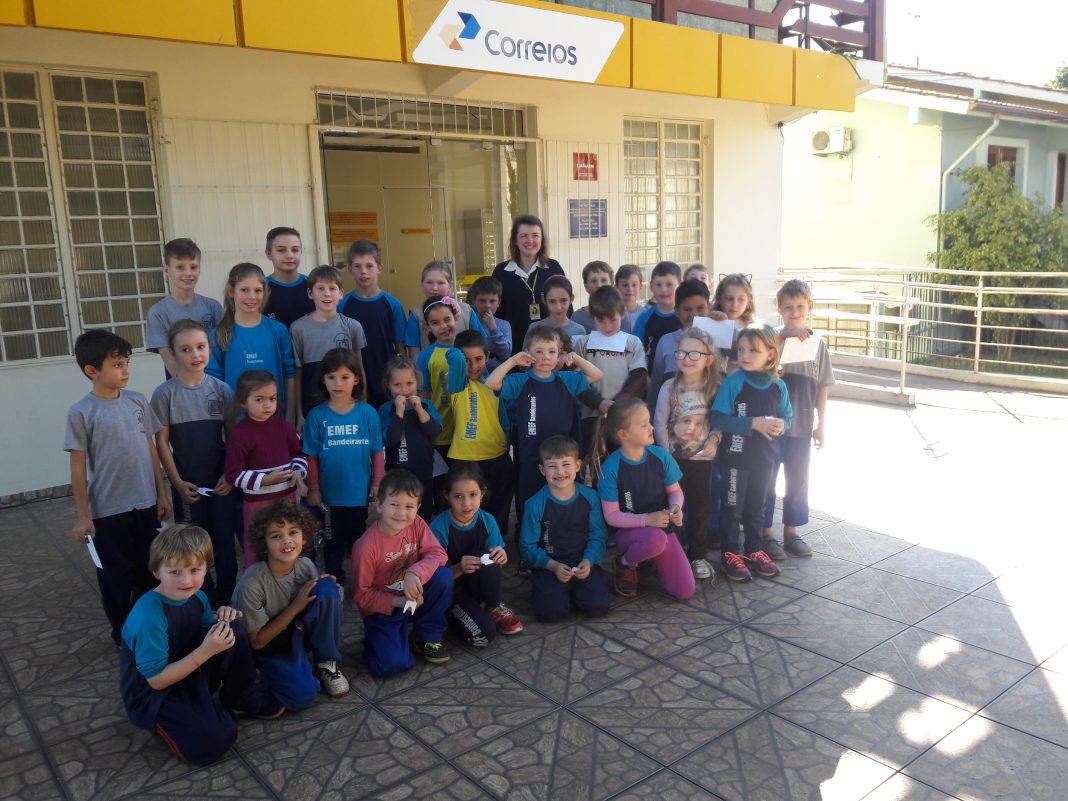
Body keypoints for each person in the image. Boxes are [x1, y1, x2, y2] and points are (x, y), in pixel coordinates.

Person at [120, 525, 282, 766]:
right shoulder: (149, 616)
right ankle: (199, 714)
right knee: (211, 743)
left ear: (207, 567)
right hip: (155, 695)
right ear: (156, 572)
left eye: (194, 569)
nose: (186, 580)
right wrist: (205, 652)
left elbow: (202, 632)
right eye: (174, 572)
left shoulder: (198, 596)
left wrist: (221, 617)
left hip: (188, 670)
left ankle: (241, 696)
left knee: (231, 628)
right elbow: (156, 681)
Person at [66, 330, 171, 644]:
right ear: (92, 371)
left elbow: (151, 449)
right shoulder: (81, 412)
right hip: (108, 512)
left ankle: (151, 625)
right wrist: (83, 517)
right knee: (115, 576)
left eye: (126, 363)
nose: (125, 371)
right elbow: (77, 469)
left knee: (150, 570)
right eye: (116, 365)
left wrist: (161, 493)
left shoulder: (137, 401)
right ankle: (122, 631)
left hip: (145, 505)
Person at [486, 326, 603, 539]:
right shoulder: (520, 381)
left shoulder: (566, 379)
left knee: (564, 496)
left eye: (552, 351)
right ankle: (528, 541)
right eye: (539, 351)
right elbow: (491, 382)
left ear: (559, 354)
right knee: (529, 499)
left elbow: (597, 375)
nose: (546, 357)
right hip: (531, 457)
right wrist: (512, 361)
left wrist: (575, 358)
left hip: (562, 456)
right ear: (528, 354)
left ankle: (563, 538)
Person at [151, 320, 238, 605]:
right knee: (192, 547)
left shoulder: (222, 390)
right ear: (173, 354)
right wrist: (176, 483)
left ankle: (227, 601)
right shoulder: (164, 394)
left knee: (224, 544)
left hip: (221, 485)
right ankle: (203, 602)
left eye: (200, 347)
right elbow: (161, 443)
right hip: (187, 486)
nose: (195, 354)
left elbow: (233, 438)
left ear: (209, 349)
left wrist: (229, 474)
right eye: (186, 349)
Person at [232, 500, 349, 708]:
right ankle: (259, 678)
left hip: (296, 633)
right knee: (302, 695)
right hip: (269, 647)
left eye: (293, 532)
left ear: (304, 537)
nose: (286, 540)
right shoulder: (252, 584)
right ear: (263, 544)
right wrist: (295, 607)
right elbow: (257, 642)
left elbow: (317, 606)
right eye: (276, 536)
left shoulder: (305, 565)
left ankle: (326, 663)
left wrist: (326, 590)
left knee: (327, 587)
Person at [351, 469, 453, 676]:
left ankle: (427, 636)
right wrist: (397, 602)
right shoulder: (365, 547)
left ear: (418, 508)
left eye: (409, 506)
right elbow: (362, 596)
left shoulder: (417, 524)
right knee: (392, 665)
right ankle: (379, 639)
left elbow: (438, 553)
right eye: (394, 504)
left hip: (414, 598)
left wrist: (415, 572)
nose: (401, 513)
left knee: (444, 576)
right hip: (385, 609)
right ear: (379, 505)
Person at [592, 398, 694, 600]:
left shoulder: (661, 456)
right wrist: (647, 519)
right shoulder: (611, 468)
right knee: (655, 539)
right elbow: (611, 516)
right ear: (624, 434)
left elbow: (675, 491)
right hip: (629, 533)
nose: (651, 428)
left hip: (662, 530)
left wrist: (675, 507)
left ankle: (648, 558)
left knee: (684, 591)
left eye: (650, 422)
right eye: (644, 424)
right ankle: (626, 562)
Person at [712, 324, 792, 581]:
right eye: (741, 349)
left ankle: (754, 550)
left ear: (771, 354)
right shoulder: (734, 382)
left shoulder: (778, 386)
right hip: (735, 460)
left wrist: (782, 425)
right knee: (732, 509)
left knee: (757, 507)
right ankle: (729, 555)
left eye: (753, 350)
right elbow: (718, 418)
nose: (744, 355)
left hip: (764, 461)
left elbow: (787, 417)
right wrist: (752, 424)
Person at [761, 279, 834, 560]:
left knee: (798, 481)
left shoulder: (818, 344)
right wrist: (780, 341)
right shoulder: (770, 340)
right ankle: (766, 534)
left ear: (810, 307)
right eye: (788, 307)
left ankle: (791, 532)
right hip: (771, 427)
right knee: (766, 480)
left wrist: (821, 425)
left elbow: (823, 386)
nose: (794, 313)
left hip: (802, 427)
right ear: (779, 308)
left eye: (800, 307)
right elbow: (759, 372)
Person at [303, 348, 384, 586]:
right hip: (330, 496)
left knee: (359, 540)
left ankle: (363, 582)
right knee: (333, 542)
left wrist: (377, 483)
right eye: (332, 377)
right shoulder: (316, 416)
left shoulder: (367, 413)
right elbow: (311, 456)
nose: (338, 383)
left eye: (345, 377)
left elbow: (377, 452)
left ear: (356, 379)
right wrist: (313, 488)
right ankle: (334, 583)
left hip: (358, 494)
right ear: (323, 380)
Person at [653, 327, 722, 581]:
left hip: (702, 461)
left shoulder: (714, 388)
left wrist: (714, 439)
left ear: (709, 359)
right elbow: (659, 422)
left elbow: (720, 422)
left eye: (695, 354)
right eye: (682, 352)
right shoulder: (669, 387)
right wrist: (666, 455)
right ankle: (673, 552)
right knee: (673, 507)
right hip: (673, 461)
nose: (686, 358)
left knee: (701, 508)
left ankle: (698, 555)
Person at [520, 436, 611, 622]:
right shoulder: (534, 504)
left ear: (577, 466)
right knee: (551, 613)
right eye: (552, 466)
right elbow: (527, 546)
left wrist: (589, 560)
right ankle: (549, 589)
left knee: (598, 606)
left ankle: (576, 590)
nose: (560, 471)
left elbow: (598, 535)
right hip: (549, 565)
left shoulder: (590, 497)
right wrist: (552, 566)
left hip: (582, 563)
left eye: (566, 464)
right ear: (542, 469)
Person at [430, 464, 522, 645]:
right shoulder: (438, 528)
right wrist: (459, 568)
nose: (466, 503)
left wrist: (501, 555)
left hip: (478, 588)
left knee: (489, 556)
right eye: (458, 496)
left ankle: (493, 606)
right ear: (447, 496)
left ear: (482, 493)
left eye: (473, 495)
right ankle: (449, 616)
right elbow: (433, 579)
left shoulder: (488, 520)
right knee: (483, 635)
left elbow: (494, 563)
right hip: (451, 593)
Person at [224, 370, 307, 567]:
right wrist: (265, 480)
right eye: (259, 399)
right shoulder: (240, 434)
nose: (267, 404)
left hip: (286, 500)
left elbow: (300, 454)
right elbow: (233, 474)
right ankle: (257, 582)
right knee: (258, 546)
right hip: (257, 505)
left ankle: (288, 578)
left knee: (287, 543)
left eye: (272, 398)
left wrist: (298, 472)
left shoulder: (283, 427)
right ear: (243, 402)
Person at [444, 330, 515, 539]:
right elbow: (454, 357)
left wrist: (506, 442)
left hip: (497, 456)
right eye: (467, 360)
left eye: (478, 359)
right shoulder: (458, 384)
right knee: (467, 509)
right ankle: (468, 543)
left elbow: (505, 420)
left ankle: (495, 543)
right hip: (465, 458)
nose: (473, 366)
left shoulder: (495, 384)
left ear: (487, 357)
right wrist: (458, 354)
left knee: (499, 506)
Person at [207, 262, 296, 423]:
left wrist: (290, 415)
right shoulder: (218, 334)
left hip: (275, 420)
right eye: (244, 290)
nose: (252, 297)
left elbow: (289, 374)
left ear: (265, 292)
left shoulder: (278, 330)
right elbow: (214, 383)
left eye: (257, 290)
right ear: (231, 291)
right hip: (236, 423)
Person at [573, 285, 647, 458]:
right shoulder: (583, 343)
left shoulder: (632, 342)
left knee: (622, 462)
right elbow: (577, 379)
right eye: (601, 321)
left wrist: (617, 404)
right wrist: (599, 402)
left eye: (613, 320)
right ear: (593, 317)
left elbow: (639, 377)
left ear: (622, 313)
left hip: (623, 418)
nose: (607, 326)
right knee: (594, 464)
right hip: (592, 417)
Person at [290, 265, 366, 425]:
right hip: (312, 408)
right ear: (310, 293)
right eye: (320, 288)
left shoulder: (353, 327)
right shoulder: (298, 329)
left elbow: (359, 369)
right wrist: (299, 414)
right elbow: (297, 374)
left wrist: (363, 406)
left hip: (347, 408)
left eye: (332, 288)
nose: (327, 293)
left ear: (341, 293)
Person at [340, 239, 406, 410]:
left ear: (379, 268)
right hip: (354, 379)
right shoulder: (342, 305)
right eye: (357, 266)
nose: (363, 272)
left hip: (387, 378)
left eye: (369, 266)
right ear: (350, 269)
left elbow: (400, 348)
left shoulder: (392, 304)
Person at [145, 238, 222, 378]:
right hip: (181, 385)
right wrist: (194, 386)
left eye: (193, 267)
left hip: (215, 382)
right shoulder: (158, 313)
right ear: (166, 269)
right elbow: (170, 361)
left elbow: (222, 351)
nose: (188, 273)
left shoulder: (213, 307)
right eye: (180, 267)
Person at [379, 355, 443, 522]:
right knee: (400, 514)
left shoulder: (426, 405)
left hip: (424, 471)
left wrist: (420, 410)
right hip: (397, 474)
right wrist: (399, 412)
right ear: (388, 385)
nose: (404, 390)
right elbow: (391, 439)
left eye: (409, 383)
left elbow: (434, 432)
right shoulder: (386, 410)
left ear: (417, 382)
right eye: (397, 385)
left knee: (423, 512)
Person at [491, 214, 566, 356]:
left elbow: (565, 306)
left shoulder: (553, 268)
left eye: (535, 235)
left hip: (548, 350)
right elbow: (497, 313)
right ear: (515, 240)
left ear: (542, 239)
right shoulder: (501, 272)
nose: (530, 241)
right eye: (524, 236)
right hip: (513, 347)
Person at [647, 279, 723, 413]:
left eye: (700, 308)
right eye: (687, 309)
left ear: (709, 307)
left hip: (712, 420)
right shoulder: (665, 342)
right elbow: (656, 388)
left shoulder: (719, 337)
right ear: (676, 311)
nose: (694, 315)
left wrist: (724, 324)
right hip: (671, 421)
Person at [416, 295, 465, 460]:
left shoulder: (468, 349)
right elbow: (424, 396)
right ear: (427, 326)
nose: (443, 326)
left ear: (456, 317)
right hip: (441, 433)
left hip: (469, 429)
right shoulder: (425, 356)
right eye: (435, 323)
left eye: (447, 319)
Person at [404, 261, 485, 358]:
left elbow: (481, 344)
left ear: (450, 285)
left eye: (440, 283)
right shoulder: (416, 315)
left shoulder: (466, 311)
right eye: (429, 282)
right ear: (422, 284)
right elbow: (414, 355)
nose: (435, 288)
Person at [633, 261, 683, 372]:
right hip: (652, 377)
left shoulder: (686, 316)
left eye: (669, 285)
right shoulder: (644, 318)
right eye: (658, 284)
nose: (664, 289)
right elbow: (636, 352)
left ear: (680, 285)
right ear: (651, 286)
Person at [262, 226, 314, 329]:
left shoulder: (314, 286)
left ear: (301, 252)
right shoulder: (260, 289)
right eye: (281, 250)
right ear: (269, 254)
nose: (289, 255)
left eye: (295, 250)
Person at [711, 273, 760, 373]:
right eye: (729, 298)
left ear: (748, 301)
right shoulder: (710, 323)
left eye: (741, 299)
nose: (735, 304)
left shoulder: (756, 328)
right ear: (719, 299)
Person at [467, 275, 511, 372]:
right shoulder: (468, 323)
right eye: (482, 301)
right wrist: (495, 363)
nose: (487, 305)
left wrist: (493, 329)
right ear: (474, 301)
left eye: (492, 301)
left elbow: (505, 355)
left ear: (499, 302)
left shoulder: (504, 325)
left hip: (498, 376)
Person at [529, 275, 585, 339]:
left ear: (571, 299)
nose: (558, 307)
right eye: (552, 301)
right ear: (544, 300)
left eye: (563, 300)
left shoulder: (579, 330)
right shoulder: (534, 329)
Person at [570, 260, 614, 335]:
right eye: (593, 281)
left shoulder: (622, 316)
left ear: (612, 284)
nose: (599, 285)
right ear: (586, 286)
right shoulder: (577, 318)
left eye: (604, 280)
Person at [614, 263, 644, 334]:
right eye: (625, 285)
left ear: (640, 287)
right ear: (616, 287)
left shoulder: (645, 315)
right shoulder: (609, 314)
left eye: (634, 285)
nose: (630, 289)